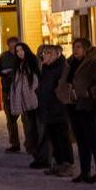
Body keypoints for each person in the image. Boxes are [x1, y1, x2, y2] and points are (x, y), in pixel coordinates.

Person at [63, 38, 96, 184]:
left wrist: (89, 93)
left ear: (86, 49)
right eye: (74, 47)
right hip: (73, 106)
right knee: (80, 140)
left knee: (93, 140)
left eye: (78, 47)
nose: (75, 50)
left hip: (88, 106)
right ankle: (85, 171)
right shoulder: (70, 63)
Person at [33, 45, 75, 176]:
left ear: (57, 54)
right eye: (44, 53)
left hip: (59, 108)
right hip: (47, 108)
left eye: (48, 53)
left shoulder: (63, 68)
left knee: (63, 138)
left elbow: (63, 88)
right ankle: (58, 163)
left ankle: (67, 165)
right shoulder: (45, 68)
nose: (45, 55)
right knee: (53, 138)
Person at [7, 41, 42, 160]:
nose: (20, 53)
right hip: (25, 102)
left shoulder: (32, 62)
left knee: (35, 128)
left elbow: (35, 82)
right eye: (17, 51)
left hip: (33, 101)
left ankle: (38, 152)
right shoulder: (19, 66)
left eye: (21, 50)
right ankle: (34, 151)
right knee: (30, 128)